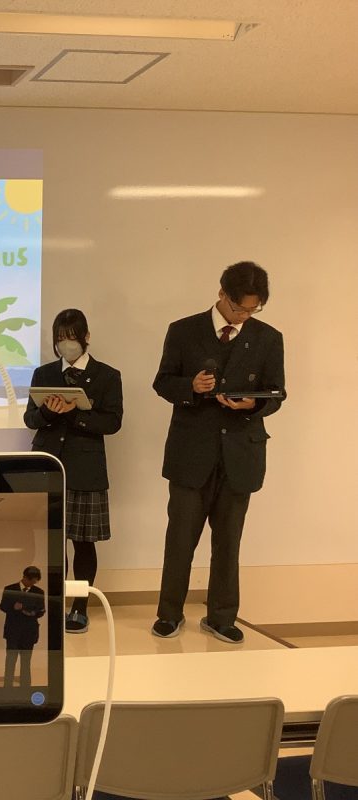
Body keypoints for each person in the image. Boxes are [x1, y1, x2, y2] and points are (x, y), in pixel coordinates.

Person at [151, 262, 285, 644]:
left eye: (252, 310)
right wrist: (191, 387)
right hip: (191, 454)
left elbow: (277, 392)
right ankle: (169, 614)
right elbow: (162, 382)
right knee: (180, 540)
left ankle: (221, 617)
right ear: (222, 294)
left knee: (229, 543)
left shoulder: (268, 338)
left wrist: (253, 405)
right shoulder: (183, 330)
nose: (244, 316)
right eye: (239, 308)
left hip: (240, 455)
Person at [24, 309, 123, 634]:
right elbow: (30, 419)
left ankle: (79, 607)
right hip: (49, 465)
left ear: (86, 337)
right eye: (61, 338)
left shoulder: (107, 376)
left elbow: (113, 422)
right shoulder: (44, 373)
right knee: (53, 542)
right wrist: (49, 413)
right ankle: (55, 604)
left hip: (85, 469)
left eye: (72, 337)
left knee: (83, 542)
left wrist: (76, 413)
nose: (66, 344)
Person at [0, 566, 45, 689]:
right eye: (32, 581)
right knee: (10, 661)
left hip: (29, 632)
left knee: (26, 662)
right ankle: (7, 687)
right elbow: (2, 606)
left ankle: (25, 688)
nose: (33, 584)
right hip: (13, 631)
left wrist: (32, 612)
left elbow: (41, 610)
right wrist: (13, 607)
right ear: (25, 578)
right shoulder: (10, 589)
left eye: (35, 582)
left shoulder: (39, 592)